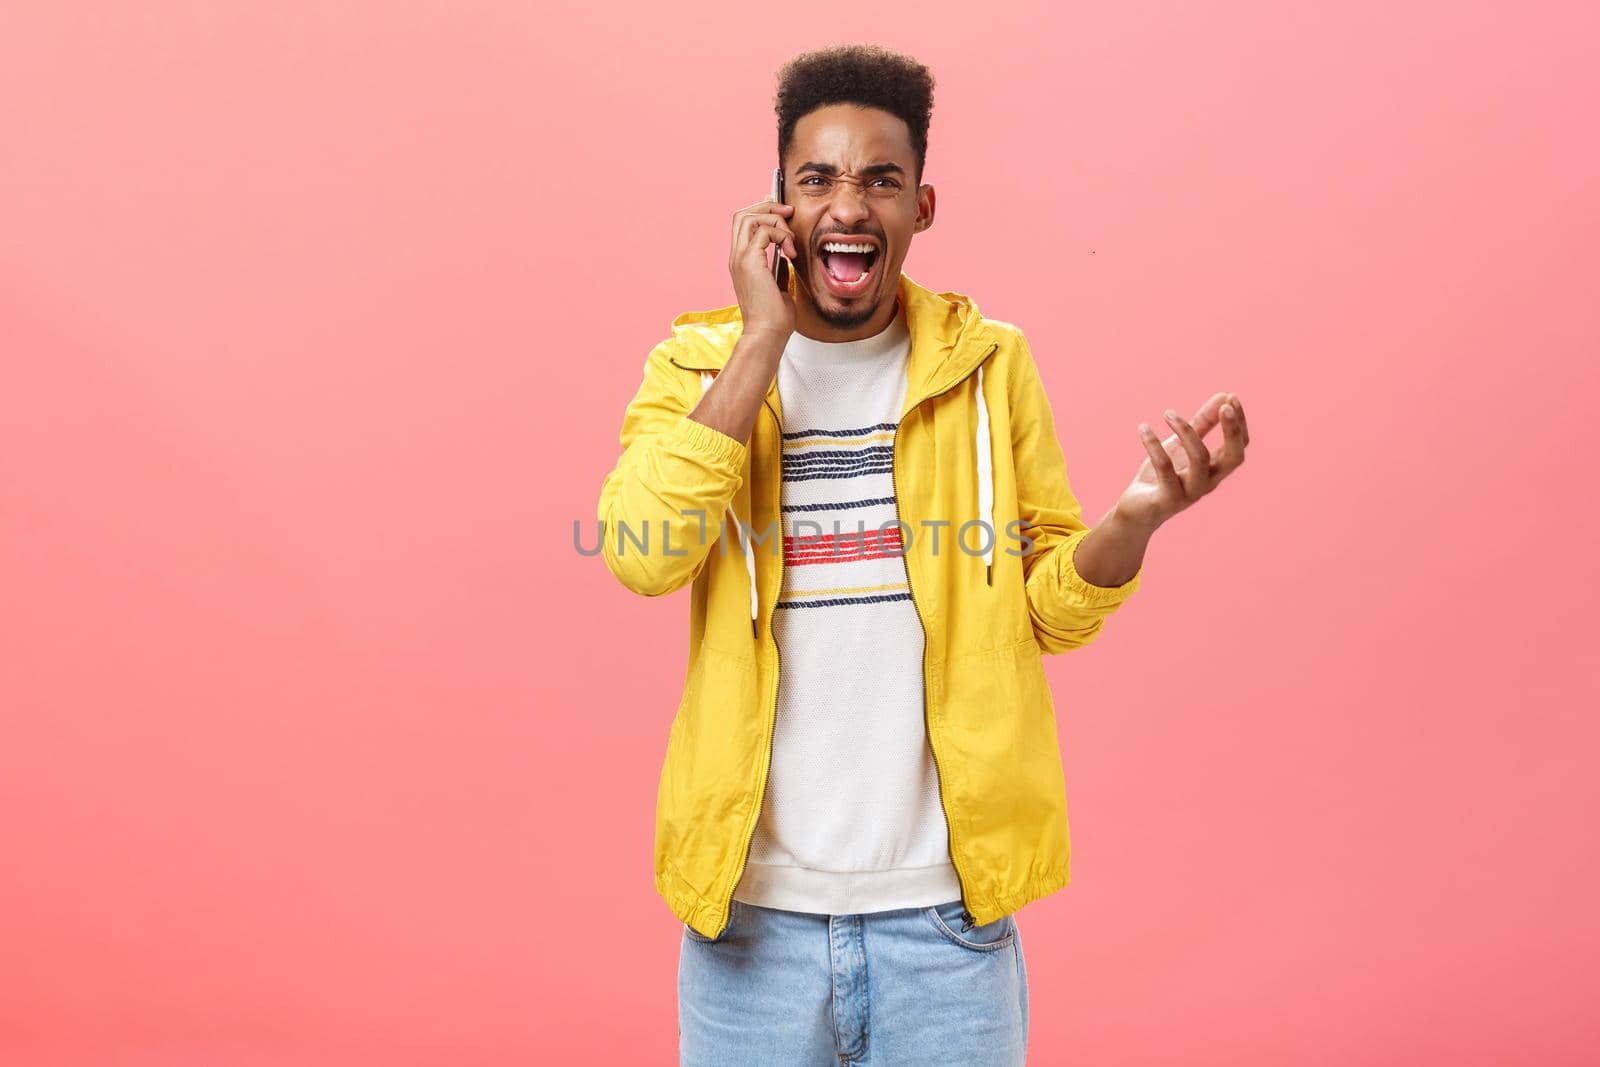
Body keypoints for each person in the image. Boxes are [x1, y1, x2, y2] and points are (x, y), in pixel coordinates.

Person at [594, 42, 1250, 1066]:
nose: (847, 206)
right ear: (774, 207)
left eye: (880, 181)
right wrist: (758, 345)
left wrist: (1135, 519)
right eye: (816, 179)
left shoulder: (990, 366)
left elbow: (1048, 609)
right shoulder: (694, 365)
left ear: (922, 206)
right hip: (747, 930)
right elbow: (642, 550)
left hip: (946, 927)